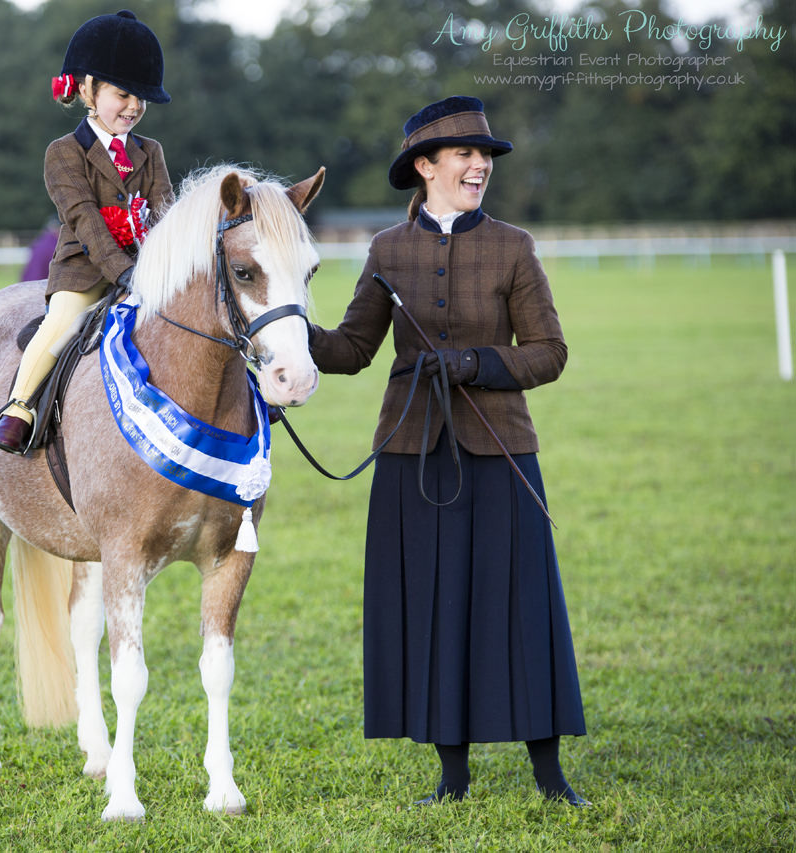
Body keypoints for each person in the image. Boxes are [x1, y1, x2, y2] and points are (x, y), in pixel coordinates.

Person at [307, 96, 588, 807]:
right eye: (463, 154)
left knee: (521, 606)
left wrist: (477, 364)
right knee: (432, 607)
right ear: (424, 167)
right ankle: (451, 776)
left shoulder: (513, 246)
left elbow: (550, 353)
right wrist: (280, 330)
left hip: (499, 450)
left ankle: (550, 775)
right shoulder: (385, 251)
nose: (478, 166)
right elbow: (349, 350)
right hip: (410, 449)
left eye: (484, 155)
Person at [0, 9, 174, 453]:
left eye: (141, 99)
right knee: (63, 324)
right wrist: (124, 272)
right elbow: (84, 219)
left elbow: (165, 214)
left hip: (148, 270)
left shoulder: (152, 151)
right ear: (87, 89)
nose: (134, 107)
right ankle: (19, 408)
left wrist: (164, 266)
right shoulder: (64, 153)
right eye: (123, 94)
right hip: (86, 271)